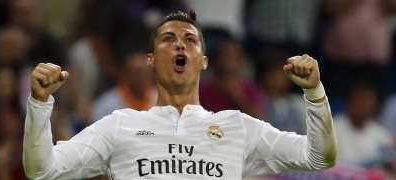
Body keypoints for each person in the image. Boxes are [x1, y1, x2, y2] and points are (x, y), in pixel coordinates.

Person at [23, 9, 337, 179]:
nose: (179, 45)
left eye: (190, 39)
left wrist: (314, 92)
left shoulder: (238, 127)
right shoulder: (118, 125)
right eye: (168, 38)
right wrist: (39, 103)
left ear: (203, 61)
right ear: (150, 59)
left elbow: (319, 156)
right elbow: (41, 169)